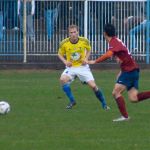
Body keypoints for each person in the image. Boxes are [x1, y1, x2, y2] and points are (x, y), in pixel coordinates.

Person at [88, 24, 150, 122]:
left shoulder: (114, 42)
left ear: (104, 33)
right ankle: (125, 117)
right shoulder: (116, 41)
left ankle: (125, 117)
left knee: (115, 92)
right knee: (133, 98)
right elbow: (125, 57)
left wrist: (95, 61)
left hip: (130, 71)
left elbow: (109, 54)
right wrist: (121, 71)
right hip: (132, 71)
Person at [58, 24, 110, 110]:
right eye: (71, 32)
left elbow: (89, 49)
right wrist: (65, 61)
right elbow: (59, 54)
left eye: (75, 32)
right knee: (62, 80)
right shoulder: (64, 43)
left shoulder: (84, 41)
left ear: (78, 32)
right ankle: (72, 101)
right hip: (71, 68)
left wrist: (86, 59)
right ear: (69, 33)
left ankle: (104, 104)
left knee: (93, 86)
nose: (73, 34)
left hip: (83, 67)